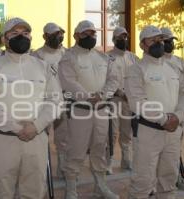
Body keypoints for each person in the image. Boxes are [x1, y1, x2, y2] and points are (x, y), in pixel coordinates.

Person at [0, 17, 63, 199]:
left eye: (25, 33)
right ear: (5, 40)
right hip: (3, 139)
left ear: (31, 37)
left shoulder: (43, 67)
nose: (21, 36)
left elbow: (55, 101)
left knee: (35, 189)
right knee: (1, 189)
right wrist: (16, 128)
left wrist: (36, 126)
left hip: (36, 139)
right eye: (14, 34)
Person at [125, 25, 184, 199]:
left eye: (160, 40)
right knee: (143, 181)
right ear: (142, 45)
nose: (159, 43)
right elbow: (137, 101)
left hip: (173, 132)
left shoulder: (172, 68)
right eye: (153, 40)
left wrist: (178, 115)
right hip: (148, 132)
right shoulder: (136, 70)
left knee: (168, 180)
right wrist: (163, 119)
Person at [58, 20, 119, 199]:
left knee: (100, 147)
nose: (90, 37)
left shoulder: (103, 58)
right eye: (85, 34)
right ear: (76, 36)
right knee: (76, 149)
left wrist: (102, 95)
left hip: (101, 110)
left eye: (93, 34)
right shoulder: (68, 57)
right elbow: (68, 81)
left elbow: (113, 79)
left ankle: (100, 186)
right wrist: (87, 97)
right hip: (80, 110)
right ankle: (71, 188)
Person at [31, 22, 67, 178]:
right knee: (42, 138)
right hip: (44, 103)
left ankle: (62, 168)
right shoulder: (36, 55)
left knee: (63, 138)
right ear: (45, 36)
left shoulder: (67, 53)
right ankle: (42, 172)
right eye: (53, 34)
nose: (58, 37)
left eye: (60, 34)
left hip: (63, 101)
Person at [161, 27, 184, 192]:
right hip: (159, 115)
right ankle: (154, 183)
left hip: (177, 114)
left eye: (171, 41)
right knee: (156, 152)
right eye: (166, 41)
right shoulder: (154, 62)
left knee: (175, 150)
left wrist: (182, 101)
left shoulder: (180, 62)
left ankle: (177, 178)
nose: (170, 44)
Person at [106, 27, 139, 174]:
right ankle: (108, 162)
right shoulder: (107, 57)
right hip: (113, 100)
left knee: (127, 132)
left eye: (125, 37)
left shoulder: (133, 57)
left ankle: (127, 161)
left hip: (129, 101)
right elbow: (105, 79)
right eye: (120, 38)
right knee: (111, 132)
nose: (123, 40)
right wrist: (118, 91)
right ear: (113, 40)